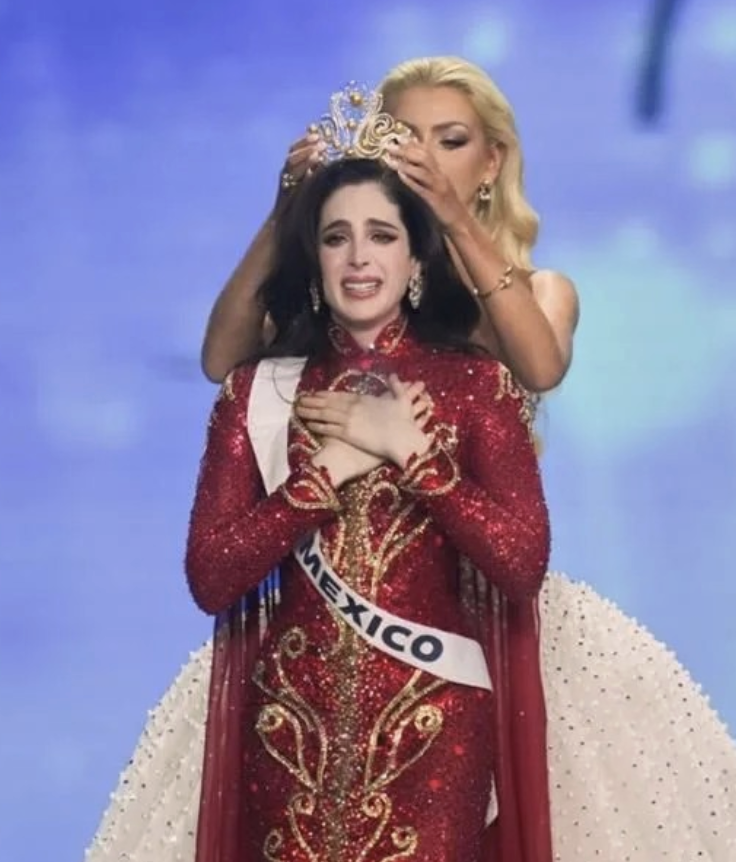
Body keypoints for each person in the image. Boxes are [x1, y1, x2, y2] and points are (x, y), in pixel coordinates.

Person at [84, 80, 736, 862]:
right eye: (336, 238)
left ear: (415, 256)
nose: (359, 257)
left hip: (435, 720)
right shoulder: (262, 391)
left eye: (382, 236)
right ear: (313, 257)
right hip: (286, 726)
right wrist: (324, 474)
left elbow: (521, 563)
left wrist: (415, 457)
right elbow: (211, 576)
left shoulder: (476, 382)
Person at [201, 57, 579, 395]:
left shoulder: (544, 290)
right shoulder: (359, 282)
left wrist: (456, 221)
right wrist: (284, 212)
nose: (423, 157)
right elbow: (221, 363)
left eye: (451, 142)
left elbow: (541, 371)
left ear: (491, 163)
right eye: (403, 138)